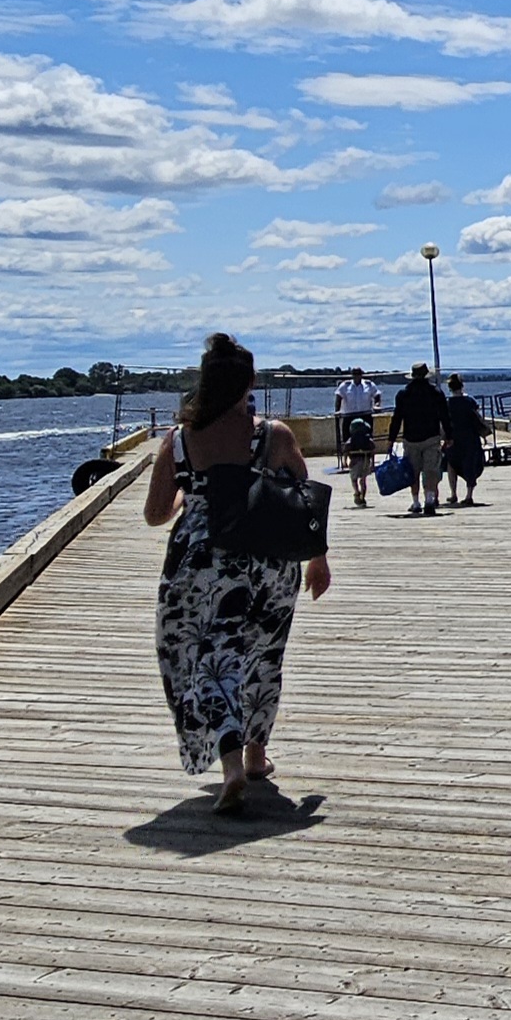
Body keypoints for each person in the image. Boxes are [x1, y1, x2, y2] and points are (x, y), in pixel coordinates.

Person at [142, 332, 329, 814]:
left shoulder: (180, 440)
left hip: (201, 562)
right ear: (248, 381)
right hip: (267, 560)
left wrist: (192, 494)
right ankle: (256, 755)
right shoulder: (274, 434)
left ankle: (228, 762)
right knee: (264, 655)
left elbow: (155, 513)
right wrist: (317, 558)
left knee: (205, 653)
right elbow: (304, 500)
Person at [389, 363, 450, 516]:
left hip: (411, 439)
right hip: (431, 437)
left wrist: (391, 439)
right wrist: (449, 435)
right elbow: (445, 417)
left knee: (413, 472)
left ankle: (416, 502)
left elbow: (397, 418)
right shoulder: (436, 393)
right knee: (431, 470)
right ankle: (429, 500)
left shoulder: (403, 394)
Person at [442, 373, 487, 507]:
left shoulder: (448, 403)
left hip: (454, 438)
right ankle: (469, 495)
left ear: (449, 387)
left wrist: (444, 438)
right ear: (462, 385)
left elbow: (445, 422)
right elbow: (477, 418)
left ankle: (453, 493)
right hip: (470, 437)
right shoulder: (470, 401)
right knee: (470, 464)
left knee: (452, 465)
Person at [337, 400, 378, 509]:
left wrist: (344, 461)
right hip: (365, 460)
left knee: (354, 479)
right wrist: (373, 463)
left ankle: (356, 492)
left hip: (354, 462)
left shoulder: (351, 440)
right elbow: (373, 450)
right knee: (363, 480)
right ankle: (362, 496)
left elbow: (346, 450)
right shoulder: (368, 439)